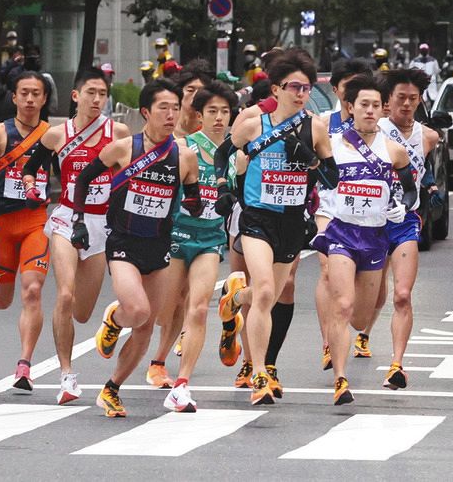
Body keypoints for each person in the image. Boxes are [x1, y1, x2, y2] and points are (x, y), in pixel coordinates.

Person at [72, 79, 203, 417]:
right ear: (145, 112)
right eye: (163, 108)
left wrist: (199, 202)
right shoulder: (123, 148)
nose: (171, 114)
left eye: (176, 108)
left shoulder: (185, 157)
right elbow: (85, 178)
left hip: (158, 246)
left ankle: (111, 389)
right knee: (139, 310)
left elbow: (194, 199)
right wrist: (79, 220)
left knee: (147, 326)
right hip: (123, 242)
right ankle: (115, 318)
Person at [216, 49, 335, 405]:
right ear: (277, 89)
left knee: (266, 296)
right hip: (256, 217)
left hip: (292, 221)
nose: (301, 93)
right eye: (294, 87)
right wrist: (224, 190)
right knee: (266, 290)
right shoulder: (254, 122)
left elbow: (332, 178)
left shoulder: (316, 128)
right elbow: (223, 154)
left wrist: (310, 159)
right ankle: (260, 374)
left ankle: (235, 299)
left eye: (307, 87)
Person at [20, 67, 128, 405]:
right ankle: (67, 376)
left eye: (102, 94)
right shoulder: (57, 134)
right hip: (67, 219)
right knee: (64, 296)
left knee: (82, 312)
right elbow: (30, 167)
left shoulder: (118, 132)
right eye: (91, 92)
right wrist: (31, 187)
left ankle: (110, 319)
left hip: (101, 226)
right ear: (76, 95)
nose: (97, 99)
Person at [315, 74, 415, 404]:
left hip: (375, 238)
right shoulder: (333, 145)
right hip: (342, 232)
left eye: (375, 106)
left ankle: (341, 338)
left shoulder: (394, 150)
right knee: (343, 305)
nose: (370, 111)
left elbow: (408, 187)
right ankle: (341, 380)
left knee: (359, 317)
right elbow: (315, 182)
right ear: (350, 108)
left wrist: (401, 206)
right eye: (363, 105)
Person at [356, 69, 440, 390]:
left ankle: (396, 365)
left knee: (402, 295)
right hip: (372, 221)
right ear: (387, 101)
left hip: (406, 221)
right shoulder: (373, 133)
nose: (406, 104)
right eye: (400, 98)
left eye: (413, 99)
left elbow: (422, 173)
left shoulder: (427, 136)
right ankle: (360, 333)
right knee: (371, 299)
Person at [162, 82, 239, 412]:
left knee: (197, 307)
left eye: (224, 112)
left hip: (210, 240)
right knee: (163, 309)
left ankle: (181, 385)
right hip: (177, 237)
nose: (219, 118)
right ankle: (118, 318)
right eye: (212, 112)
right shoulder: (184, 148)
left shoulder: (238, 155)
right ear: (199, 115)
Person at [0, 72, 52, 394]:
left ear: (44, 99)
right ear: (15, 97)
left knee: (32, 291)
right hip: (3, 224)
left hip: (37, 221)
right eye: (25, 93)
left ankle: (24, 364)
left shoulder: (52, 136)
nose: (31, 99)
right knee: (3, 302)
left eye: (37, 94)